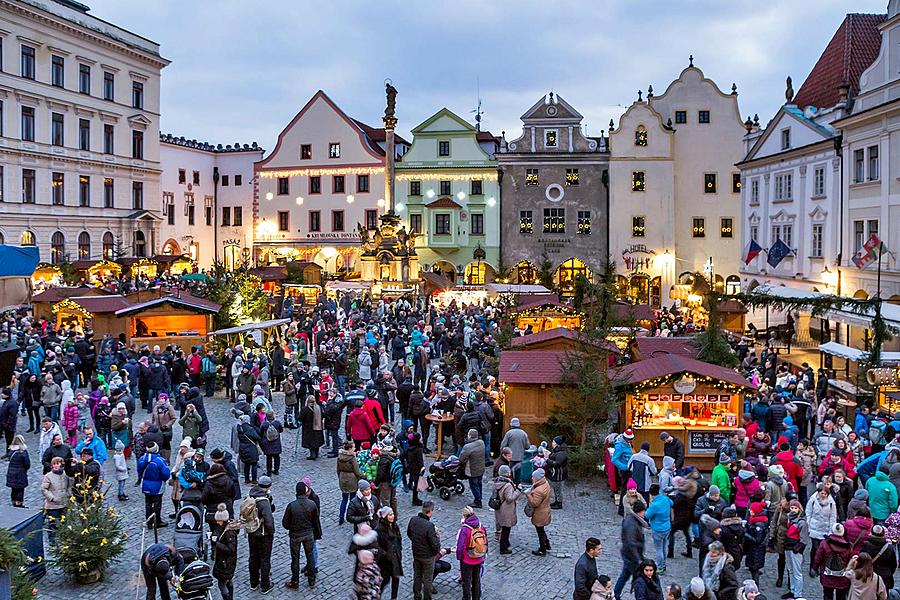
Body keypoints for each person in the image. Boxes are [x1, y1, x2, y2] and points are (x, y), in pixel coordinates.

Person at [282, 481, 319, 589]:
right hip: (308, 534)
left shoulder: (291, 506)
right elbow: (315, 521)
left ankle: (295, 581)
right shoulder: (312, 504)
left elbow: (285, 523)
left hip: (295, 535)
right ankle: (311, 580)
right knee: (310, 556)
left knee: (295, 558)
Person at [245, 475, 275, 594]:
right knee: (264, 559)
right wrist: (271, 532)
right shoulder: (264, 501)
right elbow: (269, 520)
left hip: (252, 532)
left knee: (253, 557)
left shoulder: (250, 495)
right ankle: (265, 585)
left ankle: (254, 583)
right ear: (267, 487)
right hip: (263, 534)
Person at [407, 500, 440, 600]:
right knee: (427, 579)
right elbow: (434, 545)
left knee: (417, 576)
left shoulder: (413, 519)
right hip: (427, 557)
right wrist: (437, 537)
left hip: (416, 554)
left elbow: (409, 534)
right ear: (430, 511)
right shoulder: (430, 526)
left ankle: (417, 596)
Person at [614, 498, 646, 600]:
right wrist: (638, 559)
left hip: (630, 556)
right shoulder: (631, 523)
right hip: (632, 557)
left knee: (625, 575)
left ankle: (616, 593)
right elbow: (631, 543)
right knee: (637, 580)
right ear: (640, 511)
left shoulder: (633, 520)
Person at [812, 522, 852, 600]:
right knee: (841, 596)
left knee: (827, 595)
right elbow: (849, 562)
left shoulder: (825, 543)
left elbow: (818, 558)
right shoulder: (848, 547)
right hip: (842, 577)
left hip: (827, 575)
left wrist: (815, 567)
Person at [137, 442, 171, 528]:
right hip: (158, 486)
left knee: (148, 503)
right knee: (157, 504)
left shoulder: (141, 459)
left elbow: (139, 471)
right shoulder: (160, 461)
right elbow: (166, 474)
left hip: (145, 484)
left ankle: (149, 521)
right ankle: (157, 521)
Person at [456, 505, 486, 600]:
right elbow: (485, 541)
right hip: (479, 557)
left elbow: (460, 547)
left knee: (467, 581)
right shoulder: (481, 526)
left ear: (464, 516)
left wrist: (460, 557)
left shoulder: (465, 529)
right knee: (476, 580)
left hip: (467, 559)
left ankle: (467, 598)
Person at [210, 503, 239, 600]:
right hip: (225, 562)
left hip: (226, 563)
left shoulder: (229, 533)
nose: (217, 522)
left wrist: (216, 543)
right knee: (228, 581)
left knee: (222, 584)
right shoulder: (224, 528)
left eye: (218, 520)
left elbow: (231, 549)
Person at [375, 506, 403, 600]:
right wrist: (385, 555)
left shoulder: (395, 526)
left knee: (396, 579)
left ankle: (394, 598)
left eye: (393, 514)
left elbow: (399, 539)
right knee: (384, 581)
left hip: (395, 559)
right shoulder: (379, 530)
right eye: (390, 515)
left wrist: (399, 550)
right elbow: (376, 547)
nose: (392, 516)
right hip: (385, 562)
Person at [41, 456, 71, 545]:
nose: (57, 465)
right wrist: (52, 497)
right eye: (55, 464)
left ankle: (64, 538)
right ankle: (52, 540)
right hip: (52, 505)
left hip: (64, 503)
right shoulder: (48, 476)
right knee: (53, 523)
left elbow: (69, 486)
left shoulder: (65, 475)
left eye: (59, 463)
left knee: (64, 522)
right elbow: (44, 489)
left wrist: (69, 495)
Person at [645, 483, 673, 574]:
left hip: (658, 529)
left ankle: (660, 567)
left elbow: (647, 515)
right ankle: (664, 565)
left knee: (658, 549)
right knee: (664, 547)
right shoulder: (665, 498)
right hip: (667, 527)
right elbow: (672, 503)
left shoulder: (654, 505)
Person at [526, 467, 552, 556]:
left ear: (537, 478)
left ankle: (542, 549)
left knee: (540, 531)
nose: (532, 478)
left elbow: (534, 503)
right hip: (545, 511)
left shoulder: (539, 490)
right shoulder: (545, 483)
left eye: (533, 477)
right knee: (542, 529)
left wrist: (528, 495)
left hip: (540, 514)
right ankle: (547, 544)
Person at [338, 440, 365, 525]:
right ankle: (350, 515)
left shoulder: (339, 457)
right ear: (350, 449)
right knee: (353, 499)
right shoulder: (352, 458)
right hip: (352, 479)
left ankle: (341, 517)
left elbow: (337, 470)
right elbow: (357, 472)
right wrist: (364, 477)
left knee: (344, 499)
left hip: (343, 478)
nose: (355, 448)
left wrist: (341, 477)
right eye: (353, 447)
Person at [494, 464, 520, 554]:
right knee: (506, 530)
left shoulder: (497, 481)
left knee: (504, 529)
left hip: (499, 509)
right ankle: (503, 548)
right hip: (506, 510)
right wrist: (517, 491)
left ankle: (505, 543)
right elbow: (509, 498)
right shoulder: (507, 485)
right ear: (508, 473)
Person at [457, 428, 486, 508]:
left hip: (472, 470)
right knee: (479, 483)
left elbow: (461, 459)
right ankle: (479, 497)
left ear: (470, 436)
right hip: (481, 468)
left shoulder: (468, 447)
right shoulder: (481, 442)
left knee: (474, 485)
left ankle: (477, 501)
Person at [742, 501, 768, 586]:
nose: (749, 510)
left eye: (751, 509)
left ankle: (756, 587)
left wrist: (745, 534)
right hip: (753, 549)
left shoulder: (759, 525)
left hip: (757, 550)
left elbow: (757, 540)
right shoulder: (755, 520)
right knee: (753, 567)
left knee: (755, 569)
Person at [6, 434, 29, 507]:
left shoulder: (11, 451)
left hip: (11, 473)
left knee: (14, 489)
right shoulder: (23, 452)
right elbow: (27, 463)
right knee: (20, 489)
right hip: (20, 473)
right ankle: (19, 503)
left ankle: (13, 502)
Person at [259, 411, 283, 476]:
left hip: (267, 444)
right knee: (277, 457)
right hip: (276, 443)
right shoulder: (277, 423)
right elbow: (281, 430)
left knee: (268, 458)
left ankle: (269, 472)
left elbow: (260, 433)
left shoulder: (264, 424)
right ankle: (276, 470)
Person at [546, 435, 568, 509]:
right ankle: (556, 501)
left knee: (558, 489)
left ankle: (559, 504)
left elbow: (557, 463)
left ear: (557, 443)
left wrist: (547, 460)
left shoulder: (561, 453)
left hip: (559, 474)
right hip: (555, 474)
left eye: (553, 442)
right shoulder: (557, 451)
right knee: (556, 488)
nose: (552, 443)